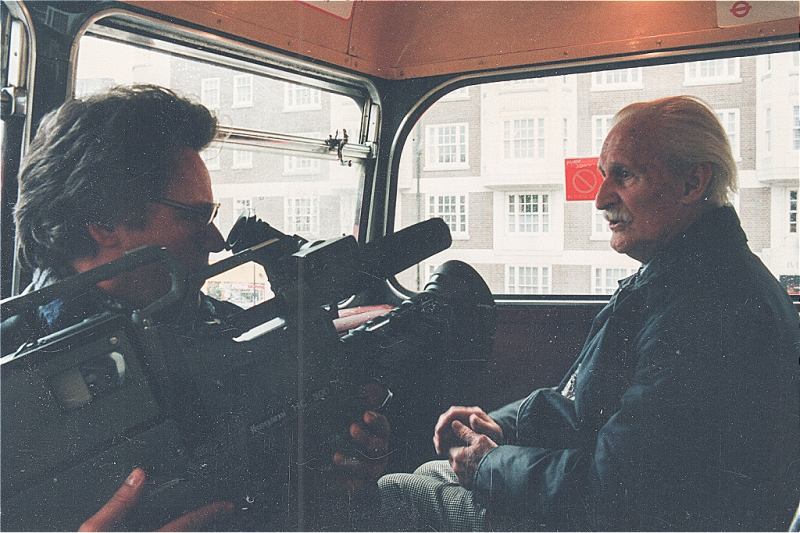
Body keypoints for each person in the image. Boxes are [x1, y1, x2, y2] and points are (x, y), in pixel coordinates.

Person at [377, 95, 800, 531]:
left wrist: (490, 464)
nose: (599, 199)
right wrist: (505, 429)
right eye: (603, 176)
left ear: (692, 183)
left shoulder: (705, 306)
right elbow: (587, 405)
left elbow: (618, 490)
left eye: (624, 175)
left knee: (396, 492)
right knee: (433, 472)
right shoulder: (678, 277)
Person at [2, 84, 387, 531]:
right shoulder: (13, 379)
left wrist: (331, 484)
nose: (216, 240)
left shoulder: (214, 327)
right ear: (103, 222)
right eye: (193, 217)